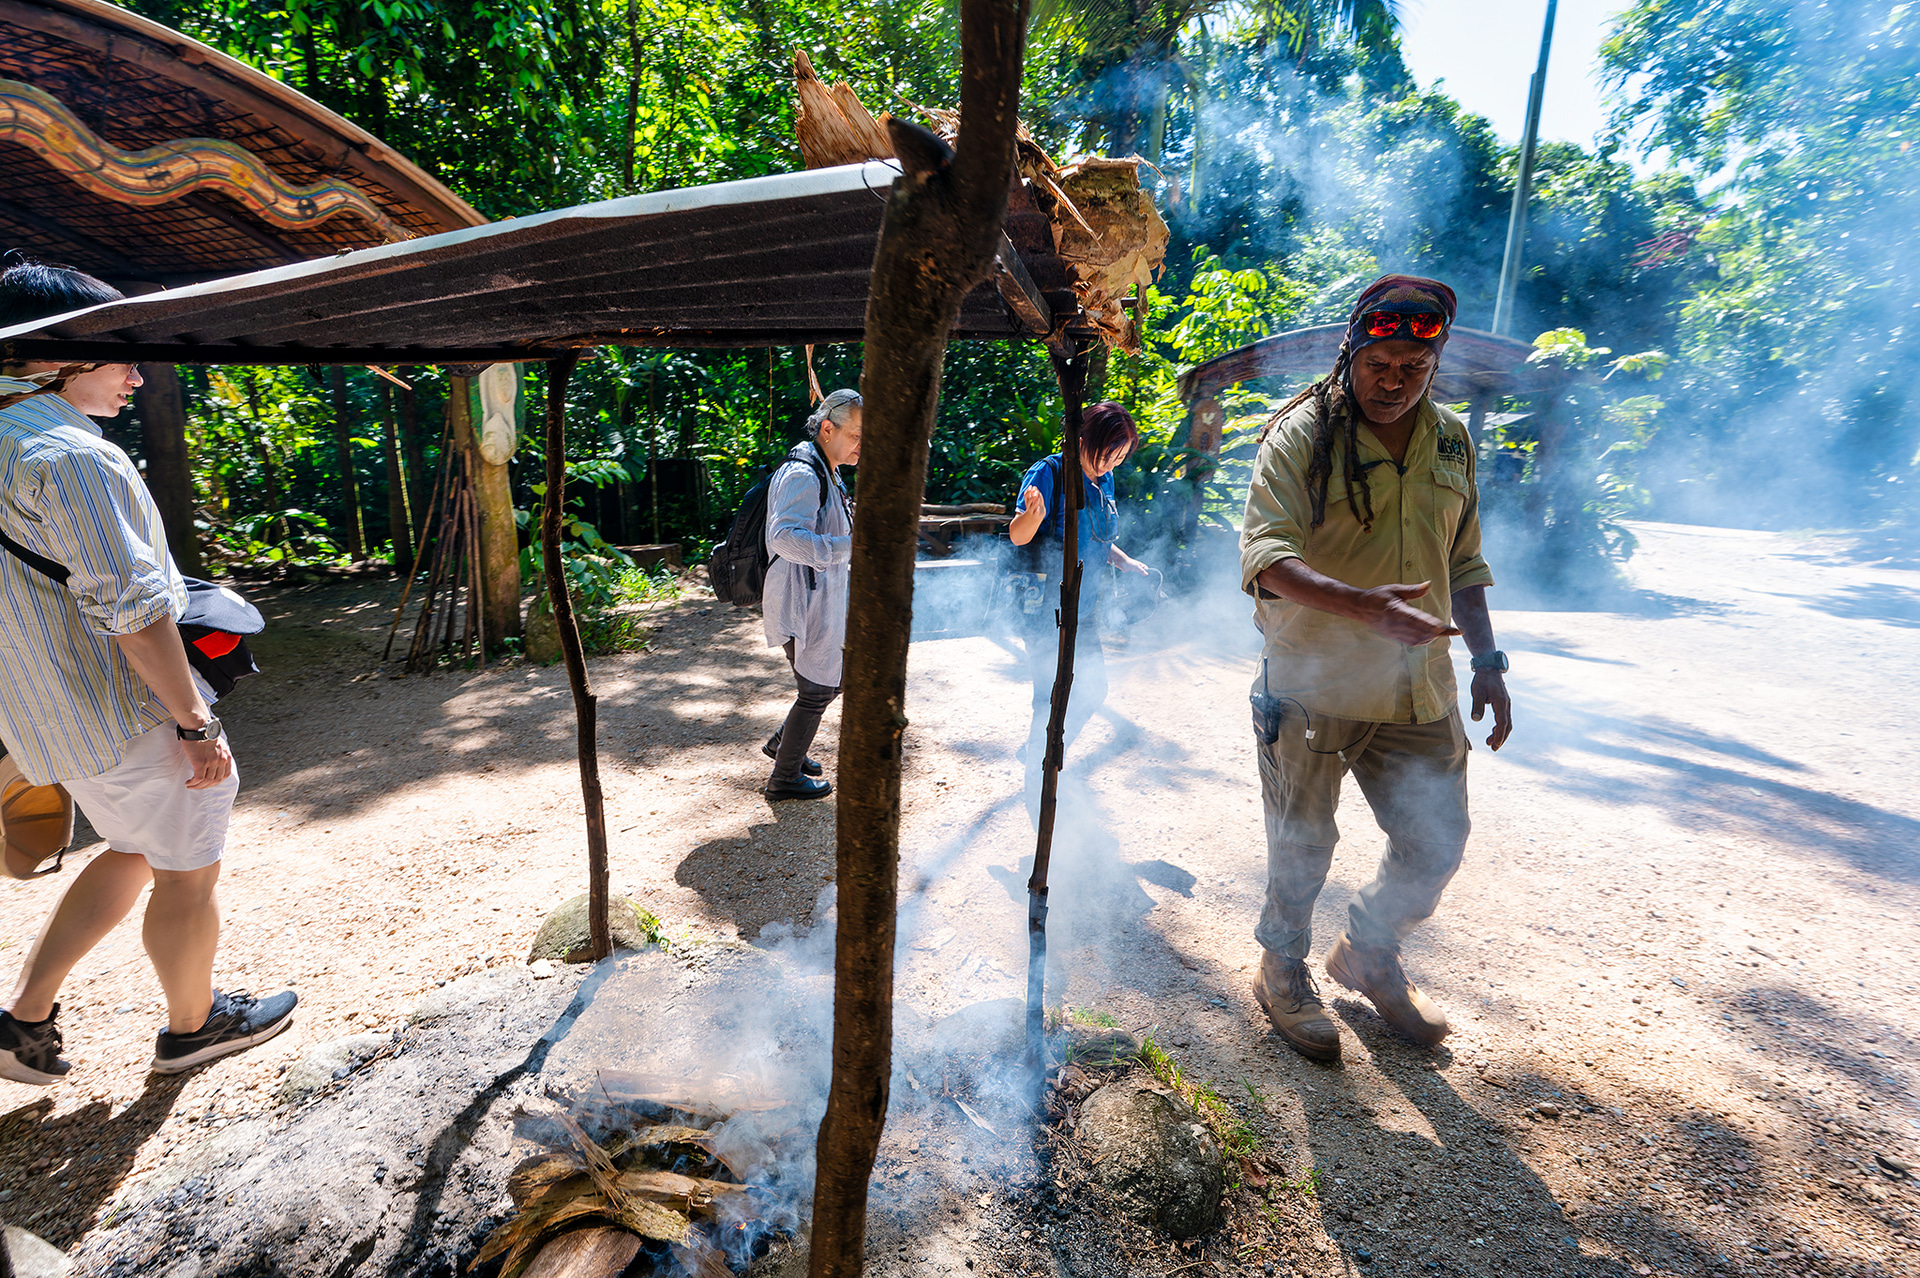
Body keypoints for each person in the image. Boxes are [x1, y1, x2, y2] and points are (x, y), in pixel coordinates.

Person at [0, 258, 296, 1086]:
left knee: (130, 848)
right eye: (123, 355)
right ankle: (194, 1029)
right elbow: (132, 611)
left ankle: (22, 1021)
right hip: (123, 711)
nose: (138, 375)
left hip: (43, 713)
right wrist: (196, 723)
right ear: (60, 355)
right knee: (186, 874)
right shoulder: (70, 455)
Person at [1239, 274, 1514, 1065]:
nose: (1394, 383)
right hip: (1314, 682)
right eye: (1379, 365)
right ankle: (1281, 966)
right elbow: (1266, 556)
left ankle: (1368, 951)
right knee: (1303, 840)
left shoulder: (1451, 440)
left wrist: (1487, 659)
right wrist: (1363, 607)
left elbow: (1464, 559)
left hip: (1418, 683)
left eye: (1414, 369)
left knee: (1438, 839)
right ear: (1352, 353)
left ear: (1436, 365)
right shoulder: (1301, 434)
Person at [1008, 402, 1152, 783]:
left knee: (1093, 688)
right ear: (1083, 438)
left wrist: (1124, 561)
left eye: (1119, 458)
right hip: (1047, 612)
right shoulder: (1050, 472)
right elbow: (1018, 536)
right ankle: (1040, 770)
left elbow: (1096, 537)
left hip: (1083, 611)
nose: (1111, 464)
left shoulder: (1105, 481)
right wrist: (1032, 517)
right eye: (1107, 454)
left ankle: (1045, 749)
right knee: (1050, 695)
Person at [761, 388, 861, 801]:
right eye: (856, 435)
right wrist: (850, 548)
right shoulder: (804, 473)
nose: (862, 445)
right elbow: (783, 537)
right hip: (800, 602)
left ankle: (784, 745)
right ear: (827, 429)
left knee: (835, 679)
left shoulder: (828, 468)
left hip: (818, 600)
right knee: (818, 689)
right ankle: (784, 778)